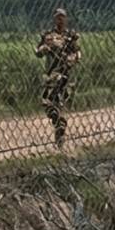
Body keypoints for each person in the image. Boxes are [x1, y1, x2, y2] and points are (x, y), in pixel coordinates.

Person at [36, 8, 82, 146]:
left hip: (66, 75)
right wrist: (43, 49)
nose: (60, 20)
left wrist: (72, 58)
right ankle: (58, 123)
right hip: (51, 75)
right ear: (54, 19)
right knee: (47, 101)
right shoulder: (48, 35)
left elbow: (78, 53)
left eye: (62, 17)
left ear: (66, 19)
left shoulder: (70, 36)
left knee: (60, 104)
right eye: (58, 17)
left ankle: (59, 135)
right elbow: (38, 52)